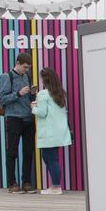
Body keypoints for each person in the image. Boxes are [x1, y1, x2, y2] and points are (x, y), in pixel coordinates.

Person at [0, 52, 36, 193]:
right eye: (25, 67)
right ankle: (12, 183)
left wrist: (32, 94)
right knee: (12, 151)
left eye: (28, 68)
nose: (26, 70)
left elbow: (28, 98)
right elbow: (1, 99)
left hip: (28, 118)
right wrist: (18, 94)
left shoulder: (27, 77)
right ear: (17, 63)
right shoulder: (6, 77)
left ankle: (26, 182)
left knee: (28, 151)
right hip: (14, 118)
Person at [30, 67, 72, 196]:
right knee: (53, 159)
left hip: (48, 132)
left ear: (44, 79)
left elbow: (42, 113)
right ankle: (55, 185)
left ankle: (55, 186)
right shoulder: (60, 93)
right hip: (59, 132)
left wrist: (33, 107)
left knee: (50, 159)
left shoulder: (43, 94)